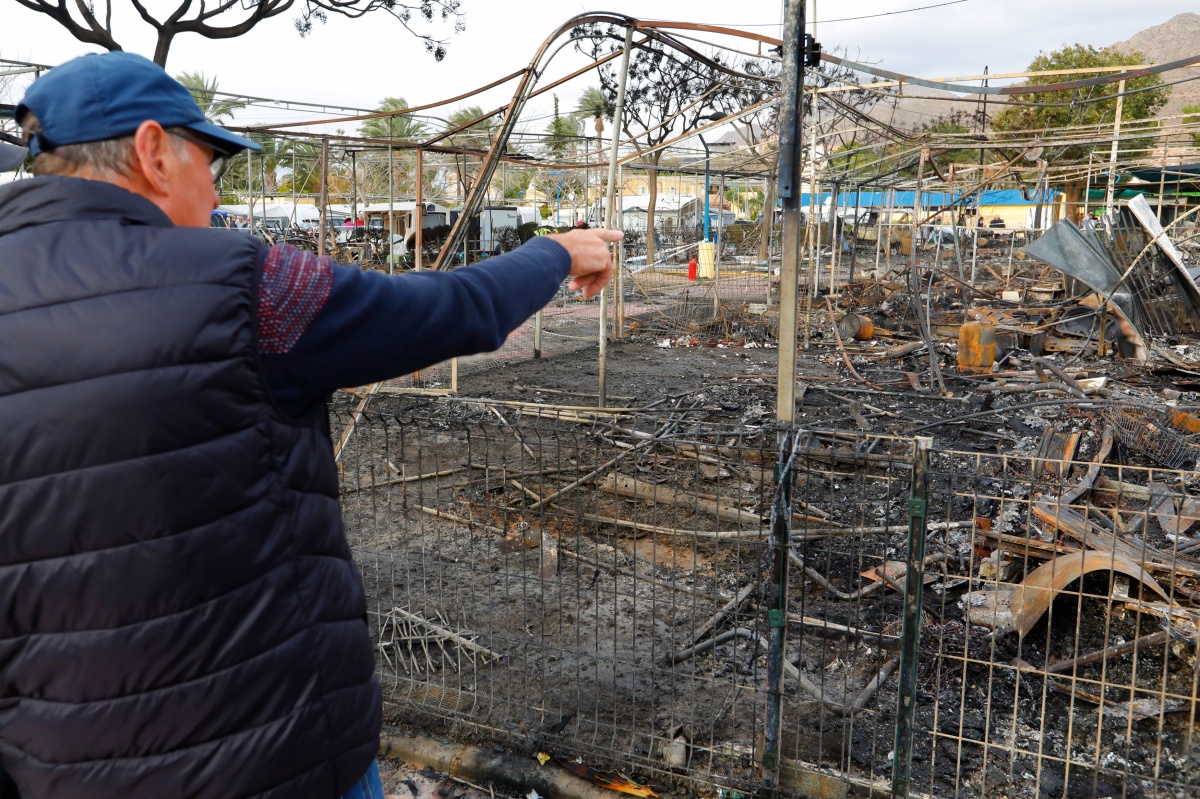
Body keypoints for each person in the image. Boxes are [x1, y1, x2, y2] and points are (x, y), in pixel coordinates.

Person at [0, 52, 621, 799]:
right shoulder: (243, 286)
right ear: (153, 150)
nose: (214, 193)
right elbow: (453, 309)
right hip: (275, 751)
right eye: (213, 163)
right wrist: (554, 251)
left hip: (63, 767)